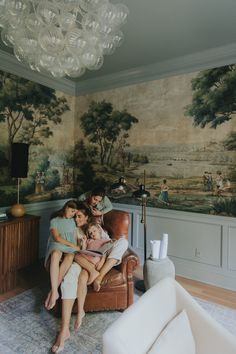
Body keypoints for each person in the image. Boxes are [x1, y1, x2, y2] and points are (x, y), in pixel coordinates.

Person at [51, 202, 128, 353]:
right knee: (69, 279)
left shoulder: (96, 228)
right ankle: (64, 330)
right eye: (74, 216)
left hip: (99, 261)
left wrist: (101, 259)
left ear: (87, 217)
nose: (75, 219)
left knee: (123, 242)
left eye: (78, 216)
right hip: (80, 259)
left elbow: (107, 244)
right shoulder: (73, 230)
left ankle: (99, 276)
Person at [44, 200, 81, 311]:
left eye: (75, 212)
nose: (73, 214)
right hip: (57, 244)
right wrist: (73, 246)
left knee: (69, 257)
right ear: (66, 207)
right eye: (72, 211)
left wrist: (77, 245)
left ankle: (52, 292)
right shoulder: (54, 220)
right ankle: (55, 291)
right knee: (55, 254)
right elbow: (57, 238)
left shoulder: (73, 221)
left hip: (70, 246)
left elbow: (75, 236)